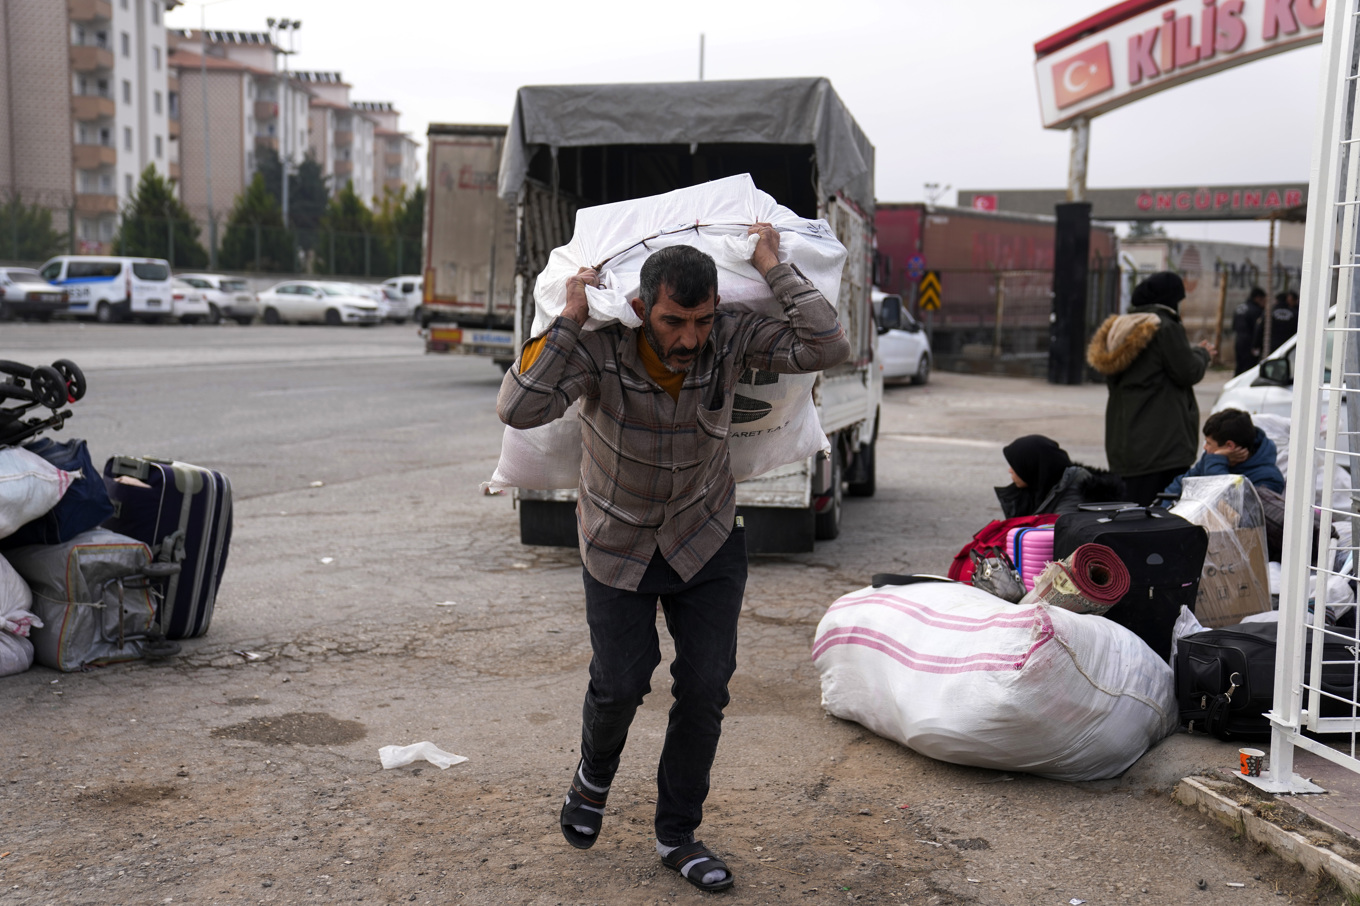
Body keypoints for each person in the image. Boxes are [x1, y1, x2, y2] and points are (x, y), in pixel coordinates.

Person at [497, 226, 850, 893]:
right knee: (621, 683)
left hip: (706, 536)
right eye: (672, 321)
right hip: (616, 539)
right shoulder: (600, 348)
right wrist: (572, 319)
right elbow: (518, 407)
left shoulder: (732, 335)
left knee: (707, 688)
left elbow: (829, 344)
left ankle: (677, 833)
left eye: (700, 320)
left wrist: (773, 264)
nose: (689, 338)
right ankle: (593, 776)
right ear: (638, 308)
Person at [1087, 271, 1214, 507]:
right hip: (1162, 445)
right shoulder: (1164, 326)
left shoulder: (1122, 326)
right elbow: (1187, 371)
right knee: (1159, 516)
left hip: (1124, 442)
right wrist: (1202, 353)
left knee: (1130, 513)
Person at [1161, 408, 1285, 499]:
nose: (1205, 447)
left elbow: (1225, 499)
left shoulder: (1268, 478)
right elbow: (1181, 484)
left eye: (1209, 443)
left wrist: (1217, 461)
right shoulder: (1213, 457)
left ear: (1229, 446)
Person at [995, 434, 1127, 518]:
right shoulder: (1039, 486)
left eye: (1016, 466)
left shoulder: (1073, 497)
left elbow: (1052, 538)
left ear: (1032, 468)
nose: (1010, 471)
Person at [1231, 287, 1266, 375]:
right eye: (1264, 300)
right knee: (1249, 368)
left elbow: (1234, 325)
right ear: (1258, 298)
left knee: (1239, 365)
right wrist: (1256, 345)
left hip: (1239, 340)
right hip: (1250, 342)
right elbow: (1257, 330)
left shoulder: (1239, 307)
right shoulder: (1256, 310)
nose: (1265, 303)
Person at [1254, 290, 1299, 357]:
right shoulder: (1294, 313)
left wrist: (1255, 345)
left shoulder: (1269, 312)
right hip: (1288, 346)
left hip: (1271, 346)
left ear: (1276, 300)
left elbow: (1259, 329)